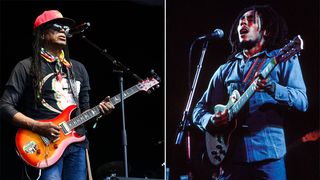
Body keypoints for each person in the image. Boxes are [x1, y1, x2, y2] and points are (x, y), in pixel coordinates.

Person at [192, 5, 308, 180]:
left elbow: (302, 101)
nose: (243, 23)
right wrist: (211, 120)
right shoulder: (226, 69)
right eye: (240, 21)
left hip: (268, 158)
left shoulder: (282, 58)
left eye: (251, 19)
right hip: (231, 159)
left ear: (266, 31)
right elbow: (198, 110)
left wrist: (272, 87)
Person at [0, 10, 114, 180]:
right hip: (44, 143)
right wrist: (36, 126)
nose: (63, 31)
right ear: (43, 34)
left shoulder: (78, 69)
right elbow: (5, 106)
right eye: (57, 27)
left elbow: (85, 111)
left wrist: (99, 113)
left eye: (65, 28)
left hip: (77, 144)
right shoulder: (26, 66)